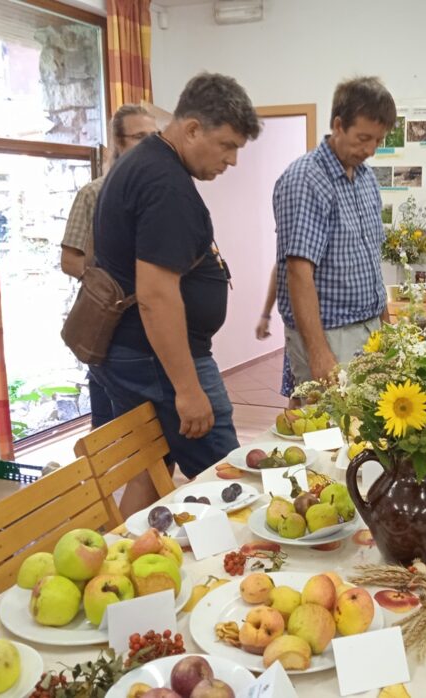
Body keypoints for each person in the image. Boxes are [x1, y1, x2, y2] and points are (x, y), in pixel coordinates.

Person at [90, 73, 260, 513]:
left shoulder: (145, 163)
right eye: (227, 145)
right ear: (191, 130)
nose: (233, 160)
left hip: (137, 351)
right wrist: (187, 390)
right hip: (158, 359)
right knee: (230, 480)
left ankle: (125, 558)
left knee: (153, 465)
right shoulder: (165, 184)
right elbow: (156, 295)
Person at [275, 76, 396, 383]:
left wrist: (387, 329)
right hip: (329, 334)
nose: (370, 149)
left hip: (370, 329)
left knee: (368, 425)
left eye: (378, 141)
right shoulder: (306, 179)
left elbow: (371, 263)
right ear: (339, 125)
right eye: (363, 138)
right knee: (330, 428)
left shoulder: (367, 178)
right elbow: (299, 272)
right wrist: (318, 353)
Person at [60, 104, 156, 428]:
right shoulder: (93, 194)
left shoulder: (160, 194)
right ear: (118, 142)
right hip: (109, 330)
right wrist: (112, 286)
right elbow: (69, 260)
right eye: (139, 137)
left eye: (154, 137)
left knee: (151, 432)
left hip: (152, 331)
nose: (148, 145)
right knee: (111, 427)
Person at [256, 265, 296, 404]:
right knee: (297, 395)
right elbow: (279, 269)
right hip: (300, 332)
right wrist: (265, 314)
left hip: (343, 329)